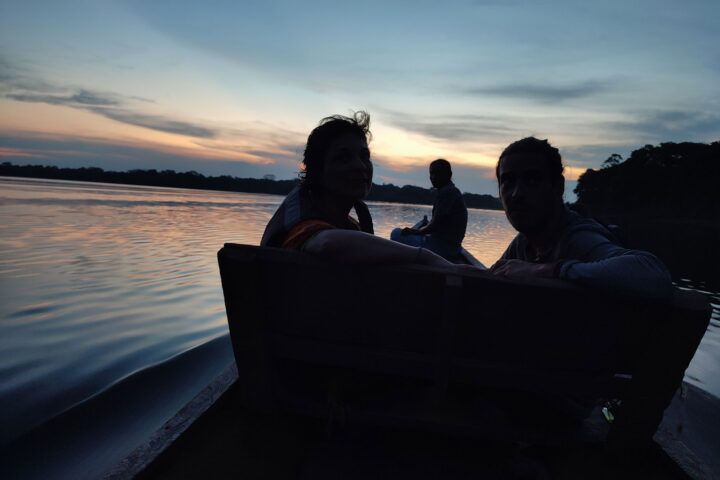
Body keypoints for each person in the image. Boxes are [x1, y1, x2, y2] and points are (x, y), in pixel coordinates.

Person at [261, 112, 451, 267]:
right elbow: (326, 243)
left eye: (364, 156)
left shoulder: (347, 224)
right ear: (318, 171)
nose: (360, 166)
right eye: (344, 158)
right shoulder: (303, 226)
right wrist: (426, 257)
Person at [490, 136, 672, 298]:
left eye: (532, 180)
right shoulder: (524, 243)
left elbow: (654, 273)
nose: (516, 194)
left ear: (557, 187)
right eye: (508, 181)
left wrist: (549, 269)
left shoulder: (580, 239)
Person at [390, 159, 468, 261]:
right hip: (451, 248)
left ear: (448, 174)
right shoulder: (452, 191)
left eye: (438, 173)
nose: (433, 177)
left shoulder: (447, 192)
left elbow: (434, 225)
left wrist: (414, 231)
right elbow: (437, 225)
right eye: (431, 173)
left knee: (395, 233)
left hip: (442, 250)